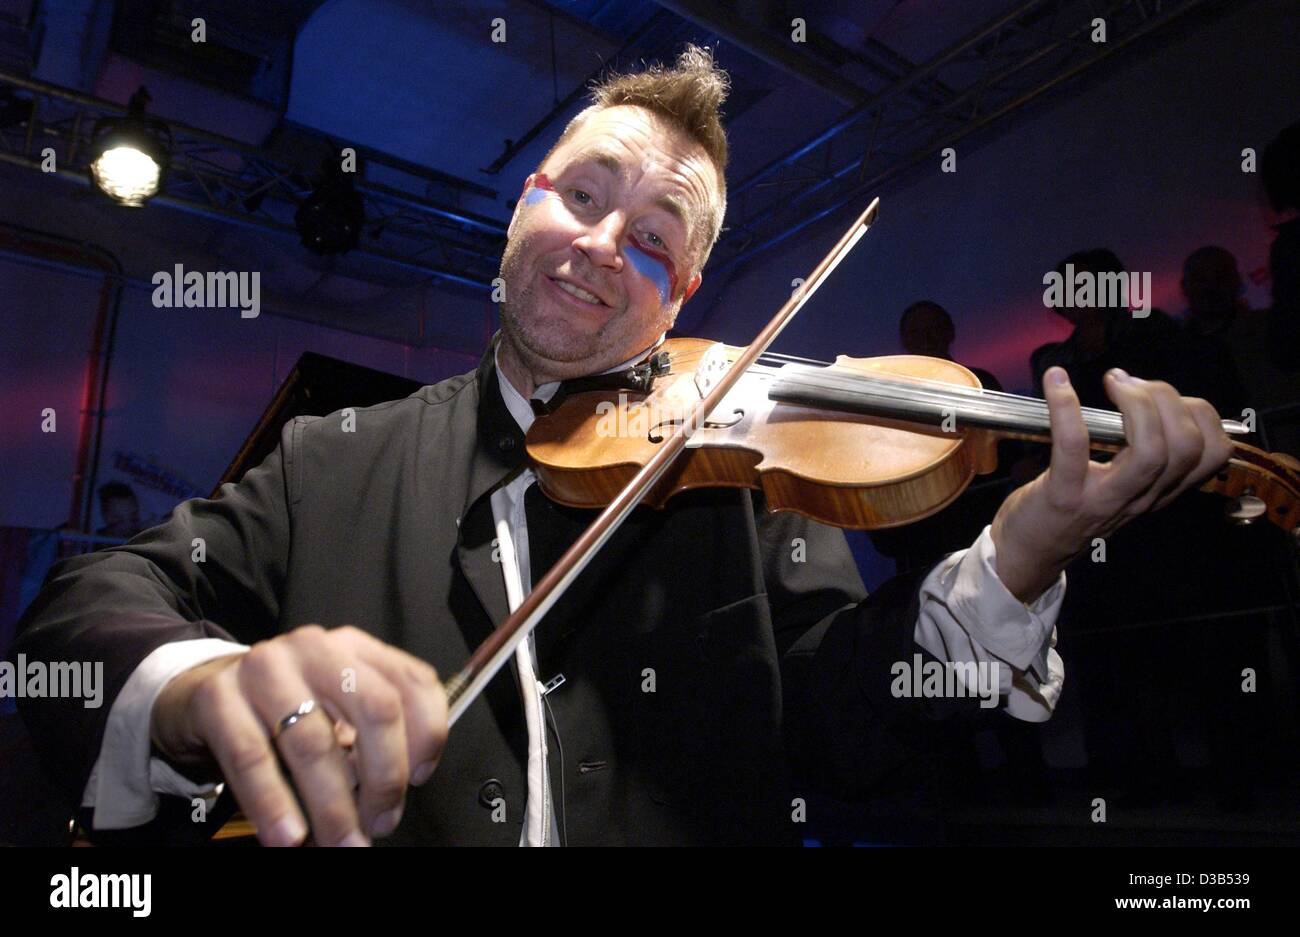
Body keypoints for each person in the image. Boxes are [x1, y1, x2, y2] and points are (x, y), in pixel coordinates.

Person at [13, 46, 1232, 846]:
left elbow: (839, 719)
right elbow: (88, 603)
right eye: (584, 196)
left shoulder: (748, 464)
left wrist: (1019, 555)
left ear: (685, 291)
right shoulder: (335, 455)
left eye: (656, 238)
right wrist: (204, 687)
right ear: (521, 203)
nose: (605, 245)